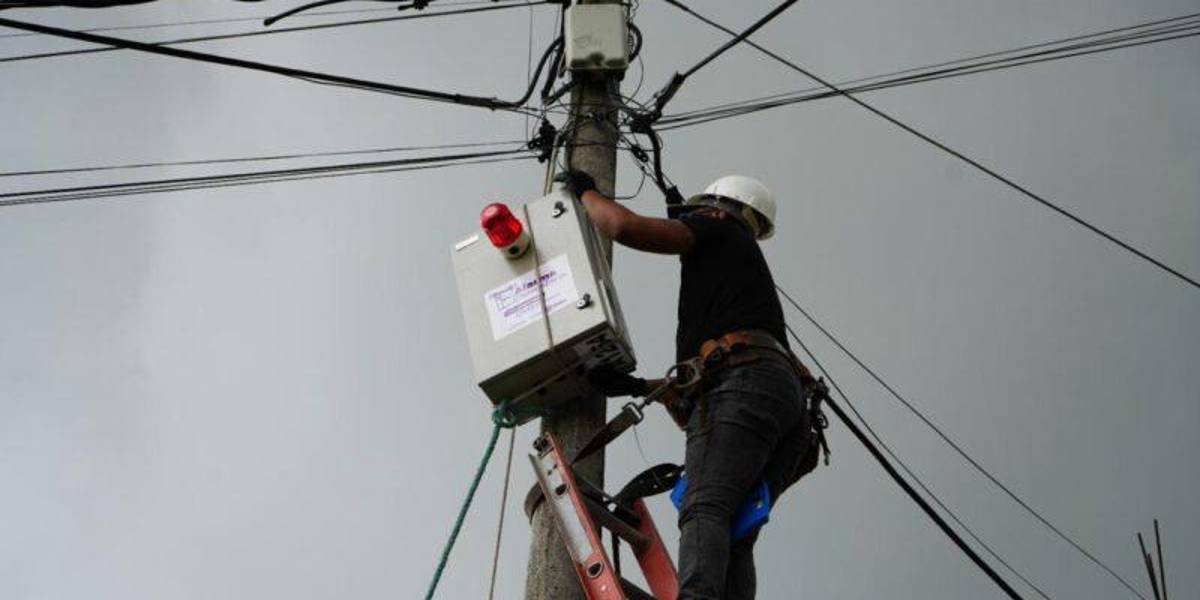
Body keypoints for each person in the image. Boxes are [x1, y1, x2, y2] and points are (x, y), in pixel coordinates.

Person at [556, 170, 823, 600]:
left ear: (717, 209)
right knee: (735, 530)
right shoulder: (737, 274)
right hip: (785, 404)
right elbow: (704, 377)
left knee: (705, 505)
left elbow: (623, 226)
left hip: (748, 384)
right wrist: (636, 386)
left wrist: (585, 191)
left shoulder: (720, 230)